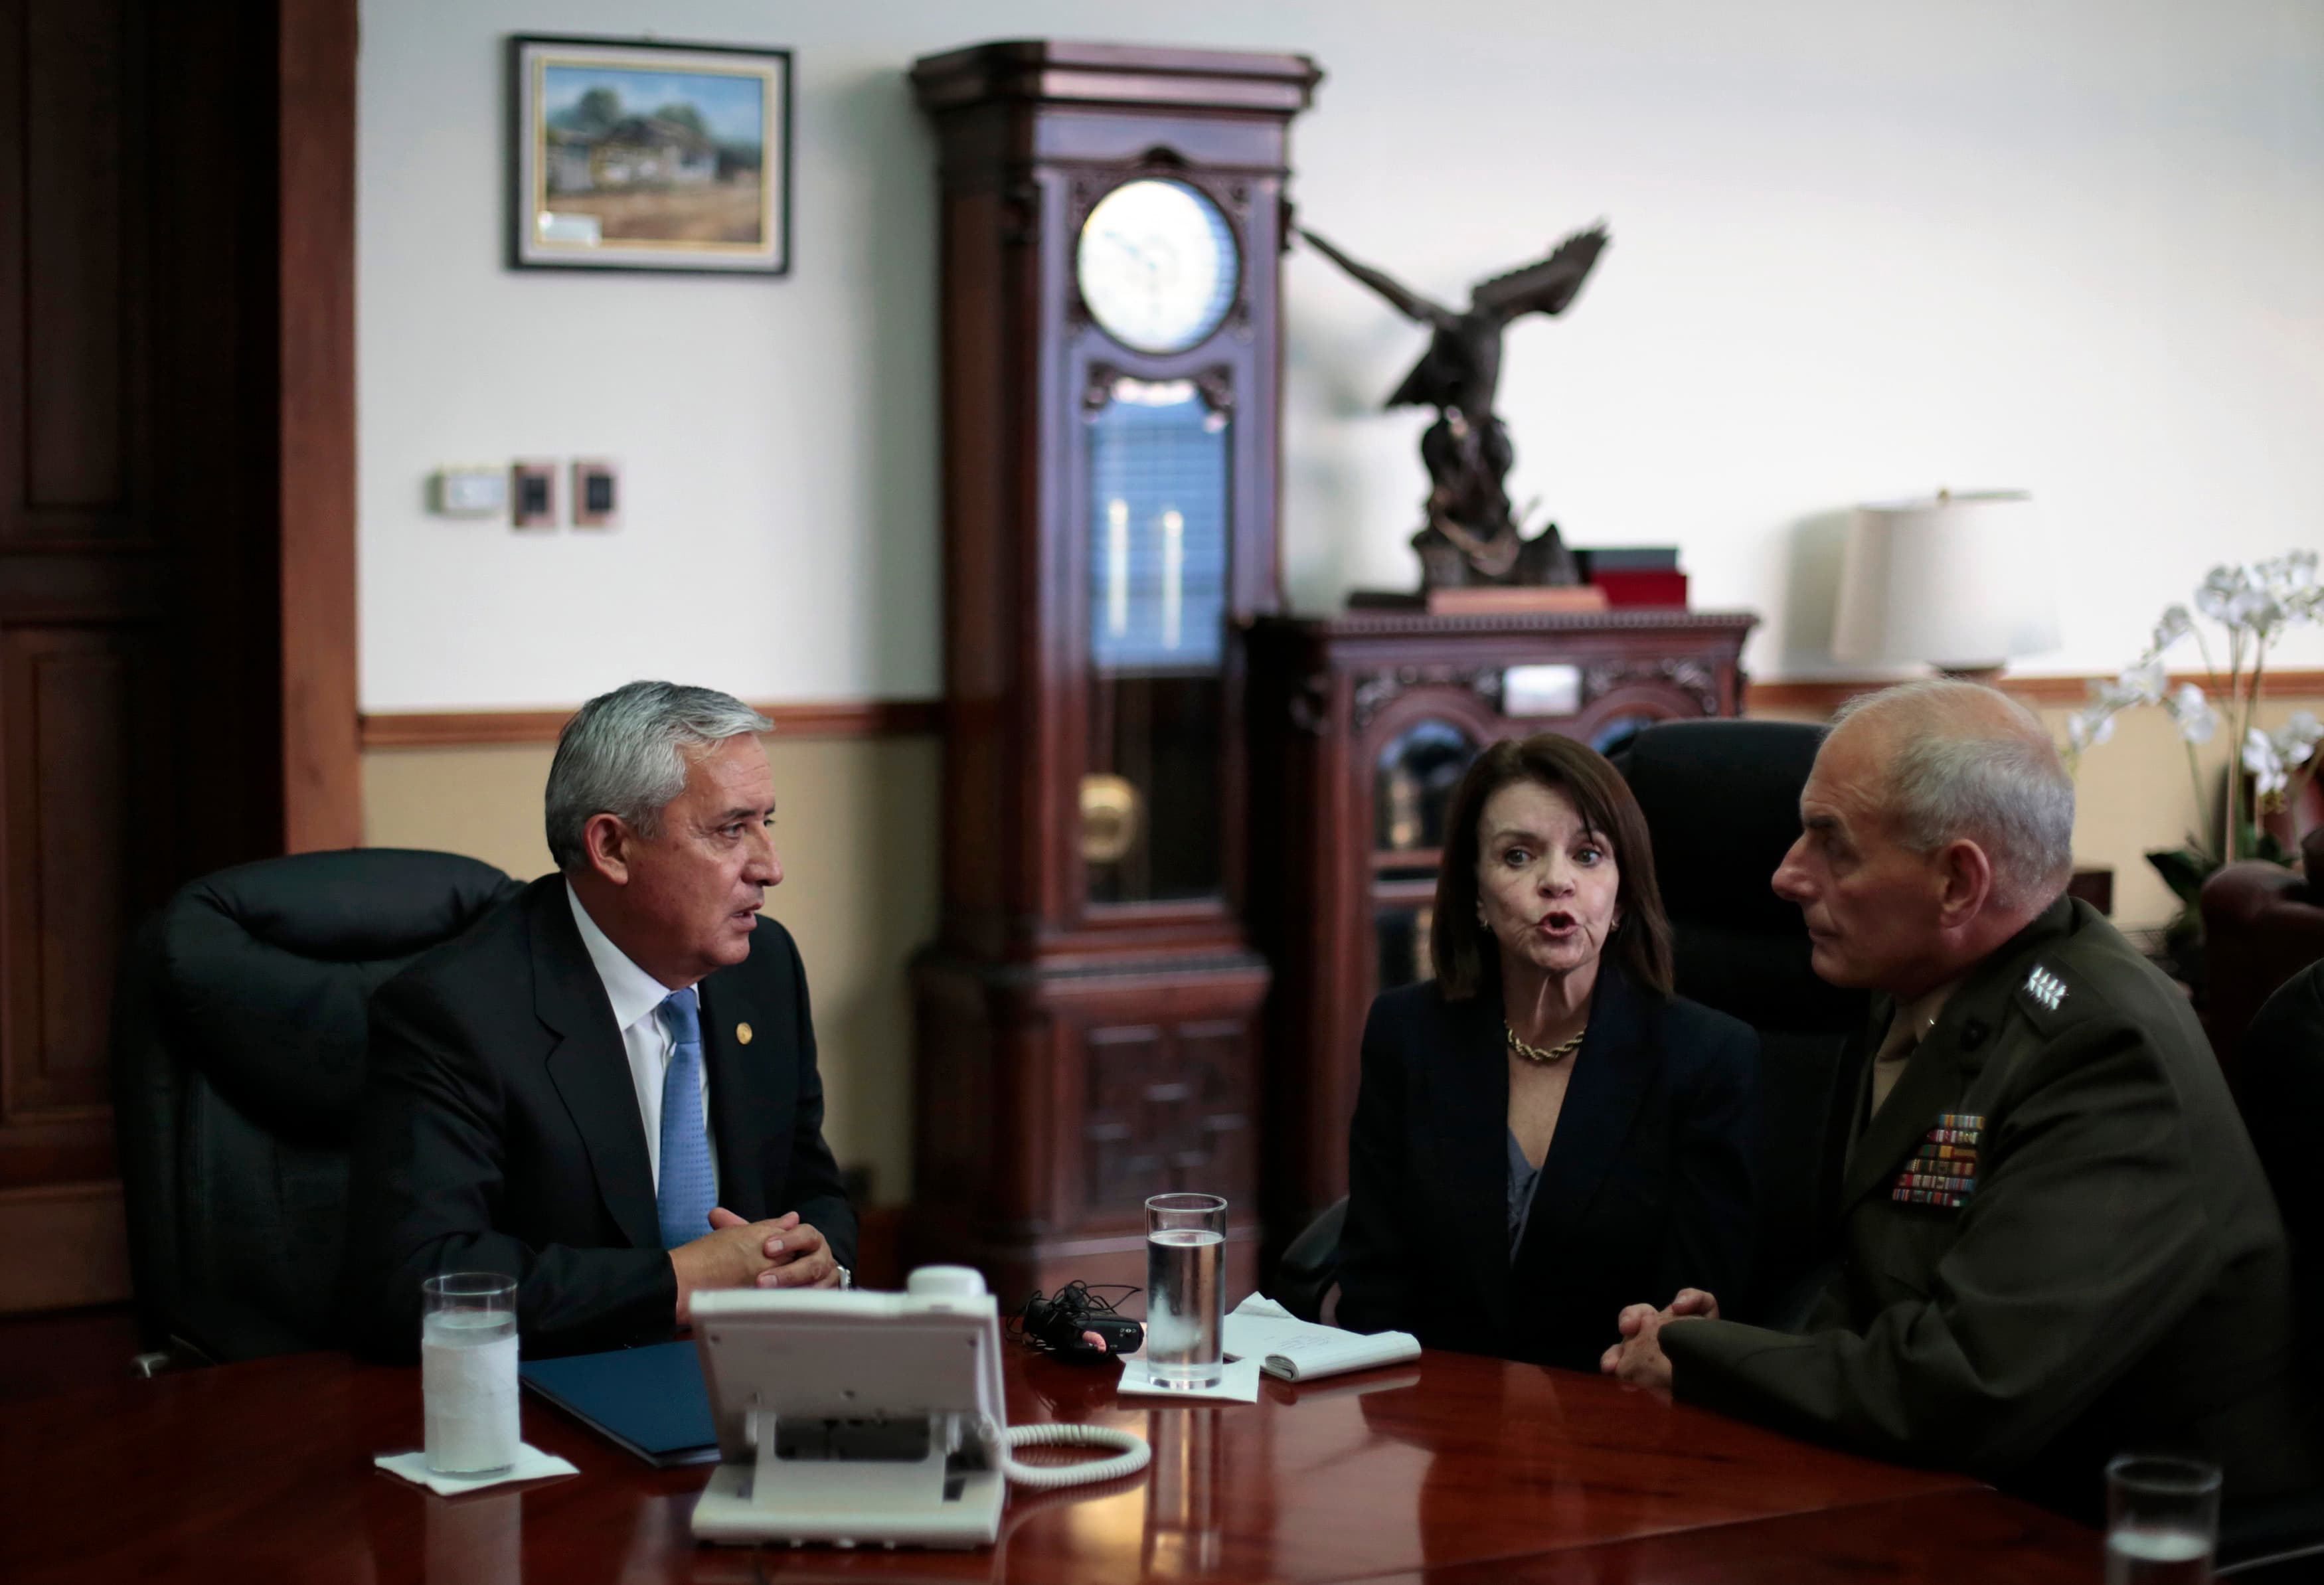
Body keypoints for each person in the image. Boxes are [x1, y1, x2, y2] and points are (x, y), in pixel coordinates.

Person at [1600, 680, 2317, 1517]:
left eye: (1831, 844)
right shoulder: (1924, 986)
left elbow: (1966, 1390)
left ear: (1955, 884)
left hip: (2128, 1528)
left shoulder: (2101, 1053)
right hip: (1971, 1487)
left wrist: (1706, 1358)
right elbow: (1883, 1278)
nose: (1786, 873)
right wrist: (1742, 1345)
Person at [339, 681, 857, 1359]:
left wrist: (819, 1258)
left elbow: (809, 1184)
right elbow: (419, 1277)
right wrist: (677, 1280)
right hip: (553, 1392)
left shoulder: (764, 967)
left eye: (767, 822)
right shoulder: (456, 1012)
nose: (770, 865)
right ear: (612, 846)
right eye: (731, 828)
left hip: (749, 1371)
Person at [1335, 733, 1761, 1369]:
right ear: (1476, 892)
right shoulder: (1408, 1033)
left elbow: (1699, 1308)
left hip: (1612, 1421)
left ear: (1621, 896)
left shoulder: (1709, 1058)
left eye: (1588, 854)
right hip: (1435, 1423)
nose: (1556, 881)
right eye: (1517, 856)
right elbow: (1373, 1282)